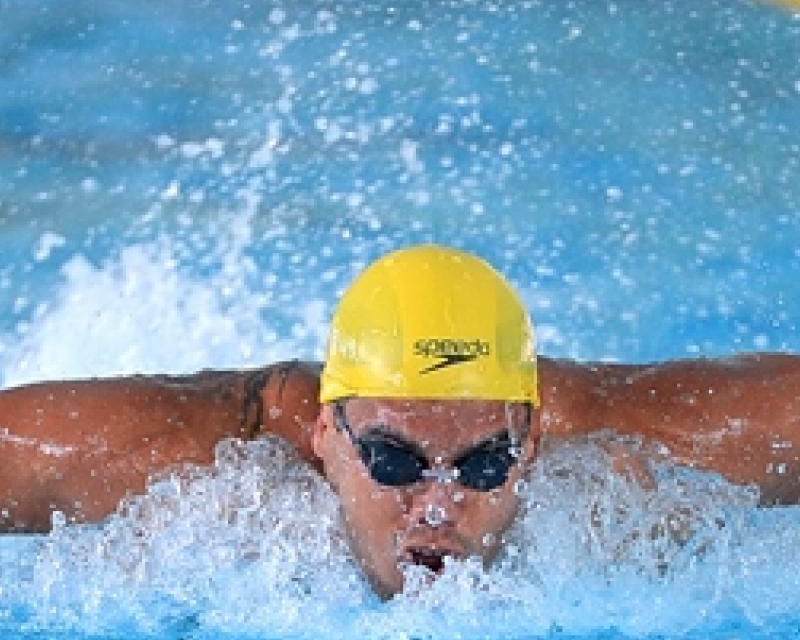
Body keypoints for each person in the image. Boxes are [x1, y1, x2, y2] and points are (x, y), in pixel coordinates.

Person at [2, 244, 800, 597]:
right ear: (324, 437)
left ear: (529, 440)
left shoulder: (611, 448)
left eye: (484, 464)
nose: (439, 504)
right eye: (392, 461)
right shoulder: (210, 461)